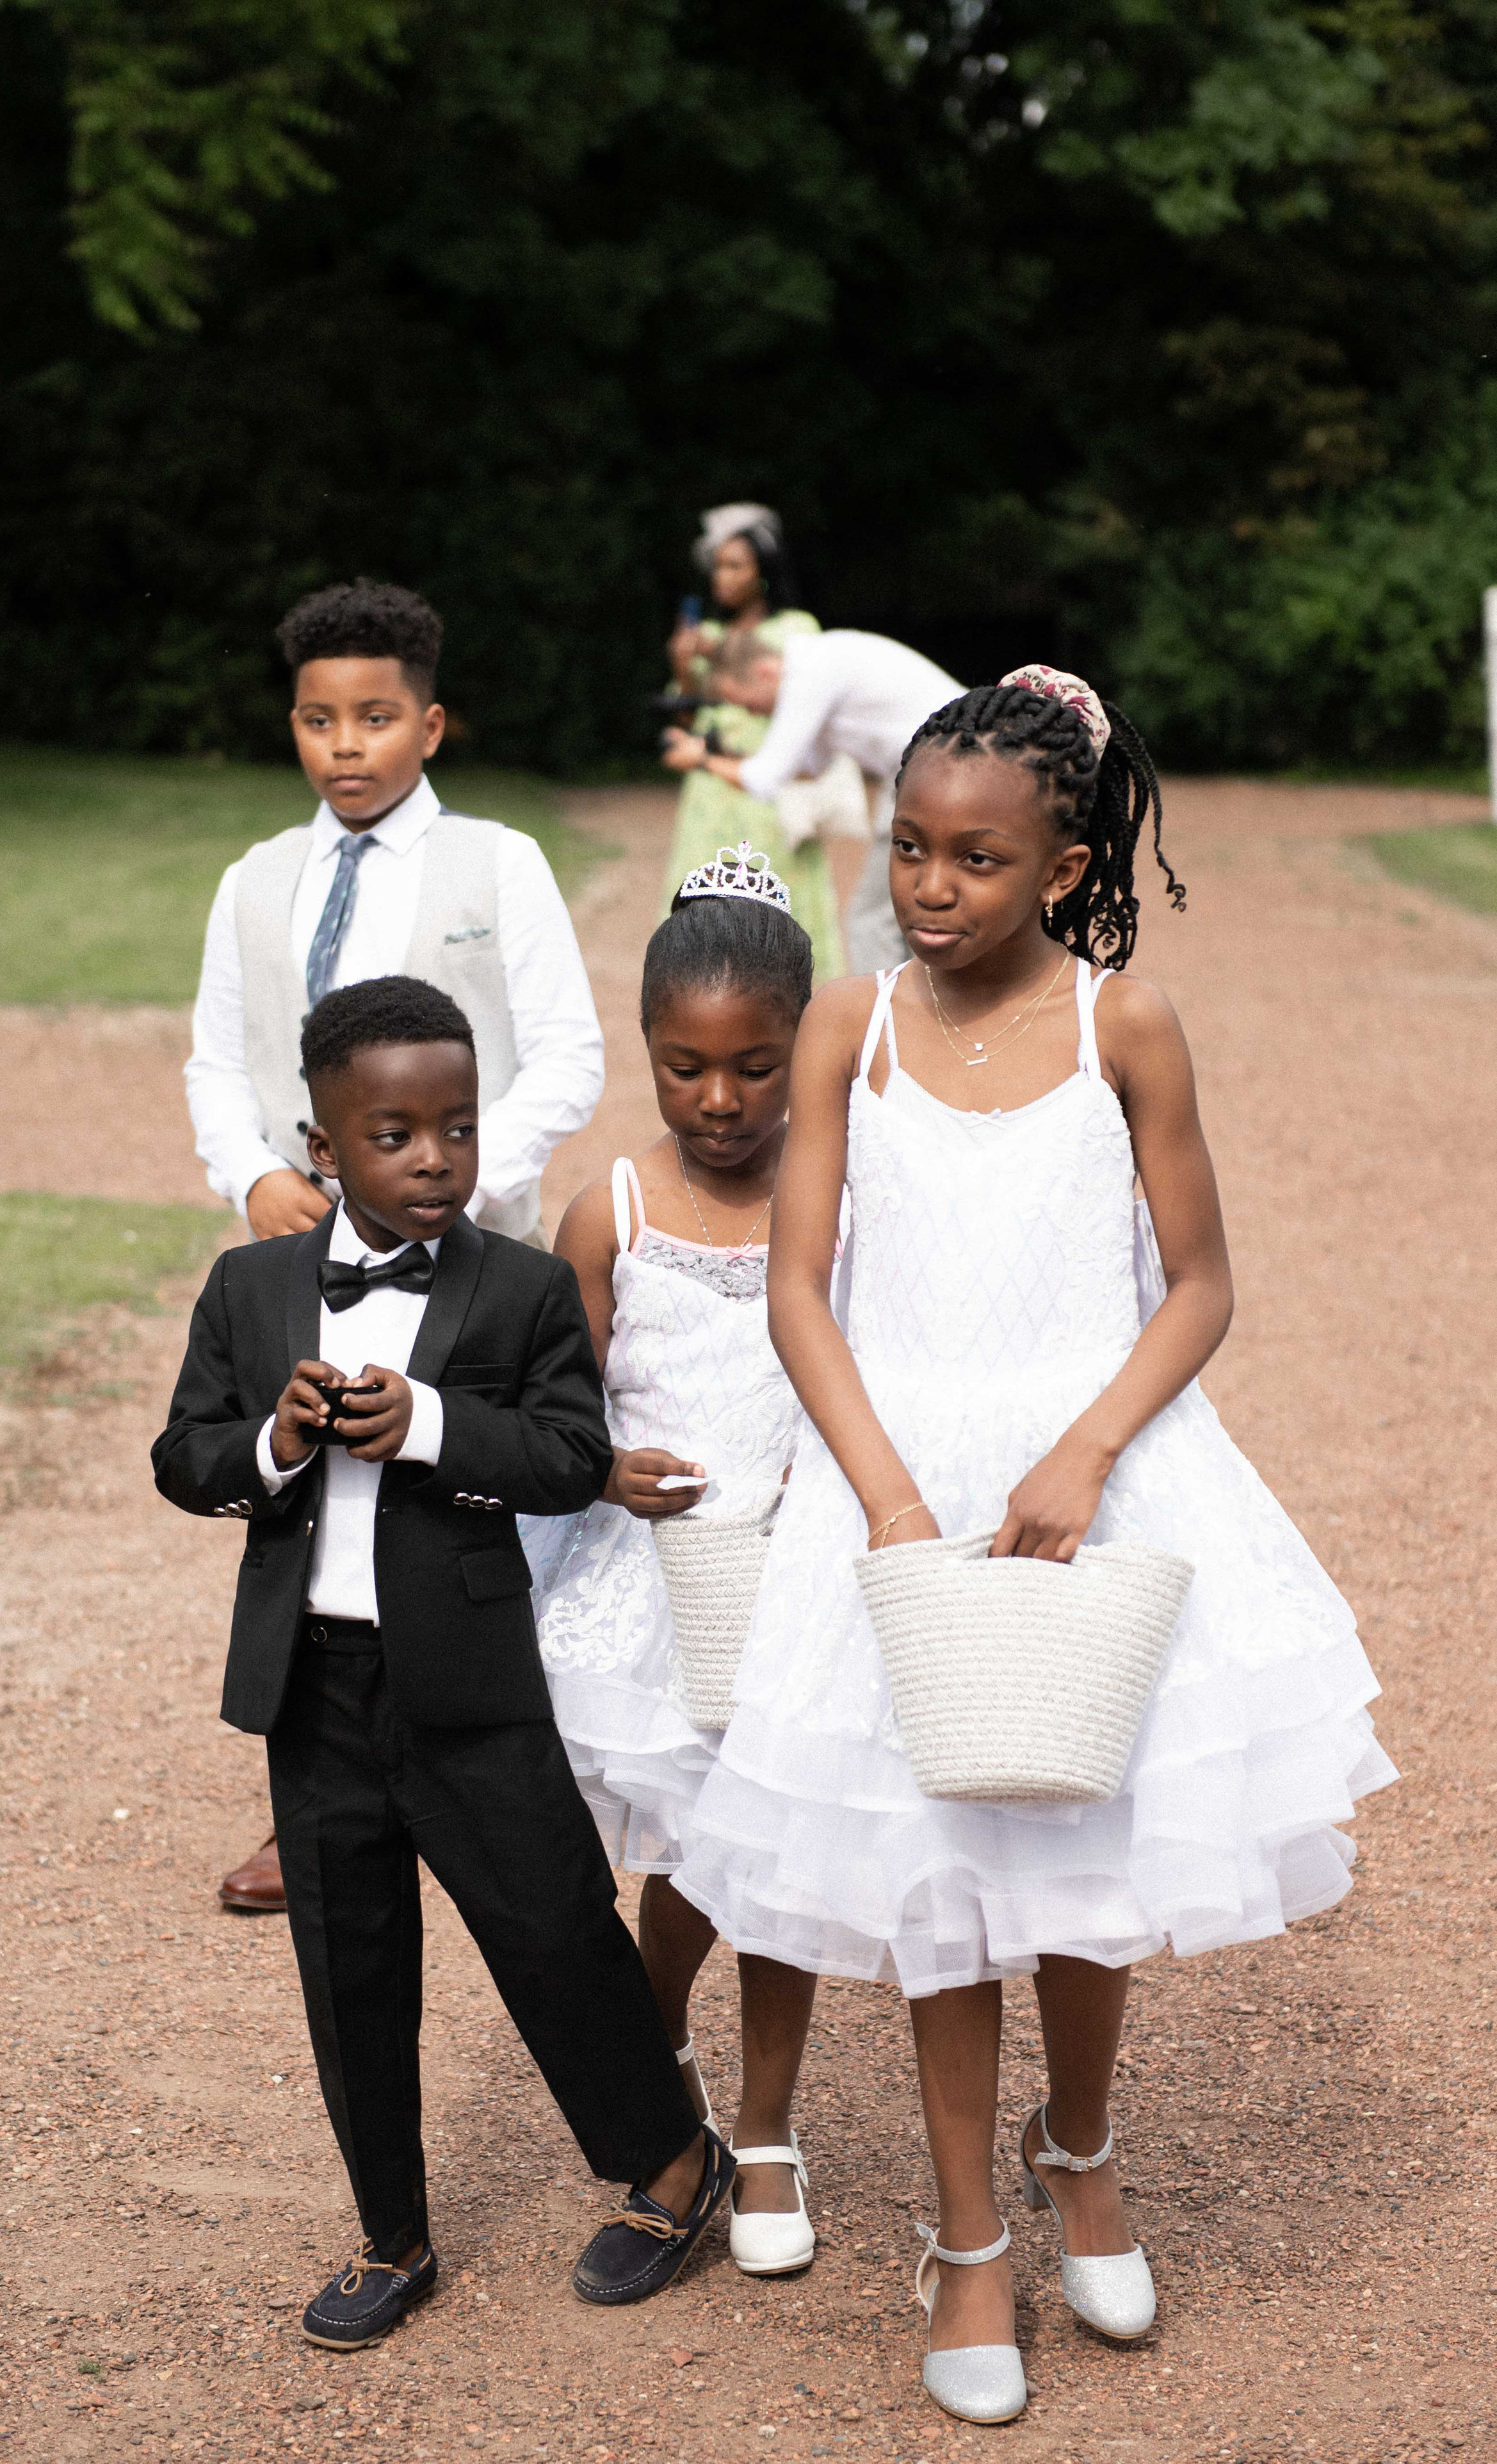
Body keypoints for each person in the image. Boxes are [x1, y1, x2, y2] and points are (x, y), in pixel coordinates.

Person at [675, 669, 1395, 2424]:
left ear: (1063, 864)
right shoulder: (847, 1023)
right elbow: (796, 1280)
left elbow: (1204, 1280)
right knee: (940, 1869)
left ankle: (1079, 2141)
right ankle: (970, 2235)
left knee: (1080, 1841)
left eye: (977, 858)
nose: (931, 883)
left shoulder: (1123, 1027)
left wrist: (1086, 1447)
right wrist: (885, 1495)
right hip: (897, 1469)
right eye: (911, 846)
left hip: (1099, 1471)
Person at [153, 975, 738, 2344]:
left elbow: (563, 1457)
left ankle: (670, 2157)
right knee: (347, 1955)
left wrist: (421, 1420)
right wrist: (276, 1446)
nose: (434, 1160)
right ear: (323, 1146)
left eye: (457, 1129)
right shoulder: (248, 1289)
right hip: (314, 1684)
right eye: (395, 1136)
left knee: (547, 1923)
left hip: (467, 1675)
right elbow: (187, 1457)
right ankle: (389, 2232)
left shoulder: (521, 1288)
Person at [185, 576, 604, 1915]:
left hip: (458, 1247)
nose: (346, 746)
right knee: (306, 1503)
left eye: (375, 717)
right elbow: (214, 1058)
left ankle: (487, 1784)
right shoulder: (257, 883)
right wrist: (256, 1175)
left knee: (467, 1511)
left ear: (431, 724)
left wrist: (455, 1194)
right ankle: (316, 1801)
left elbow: (568, 1053)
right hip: (305, 1250)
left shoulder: (495, 863)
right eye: (318, 720)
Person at [524, 845, 820, 2278]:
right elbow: (551, 1407)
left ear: (798, 1052)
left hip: (794, 1569)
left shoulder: (835, 1196)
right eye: (684, 1067)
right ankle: (657, 2069)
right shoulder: (611, 1211)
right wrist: (596, 1466)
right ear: (646, 1053)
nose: (719, 1100)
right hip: (654, 1581)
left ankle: (764, 2129)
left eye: (756, 1068)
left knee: (775, 1854)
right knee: (686, 1855)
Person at [663, 624, 959, 975]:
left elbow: (767, 779)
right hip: (929, 775)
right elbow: (807, 770)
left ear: (765, 671)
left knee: (871, 919)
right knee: (905, 911)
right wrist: (718, 754)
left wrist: (701, 759)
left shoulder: (809, 672)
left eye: (749, 703)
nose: (753, 713)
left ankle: (880, 1019)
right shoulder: (817, 663)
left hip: (943, 773)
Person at [659, 505, 841, 980]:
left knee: (773, 900)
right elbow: (689, 712)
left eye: (736, 565)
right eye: (719, 565)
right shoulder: (711, 633)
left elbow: (788, 687)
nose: (723, 576)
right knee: (705, 901)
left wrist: (713, 651)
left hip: (768, 786)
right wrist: (683, 667)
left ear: (765, 572)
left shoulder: (795, 629)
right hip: (710, 792)